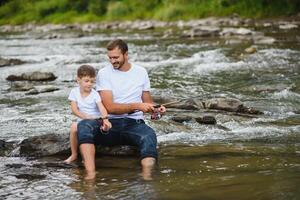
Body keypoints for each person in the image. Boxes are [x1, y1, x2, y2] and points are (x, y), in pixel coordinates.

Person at [77, 39, 166, 180]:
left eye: (116, 57)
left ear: (126, 54)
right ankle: (90, 174)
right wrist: (137, 105)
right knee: (83, 125)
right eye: (110, 58)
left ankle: (147, 177)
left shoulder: (141, 72)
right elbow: (109, 107)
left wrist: (157, 110)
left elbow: (148, 104)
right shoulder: (104, 73)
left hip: (134, 125)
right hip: (109, 124)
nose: (113, 61)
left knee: (149, 136)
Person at [64, 65, 112, 164]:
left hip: (95, 120)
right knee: (73, 127)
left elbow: (102, 108)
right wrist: (85, 117)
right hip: (83, 118)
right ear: (78, 80)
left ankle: (85, 157)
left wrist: (105, 119)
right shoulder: (74, 92)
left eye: (92, 81)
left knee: (90, 129)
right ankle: (74, 154)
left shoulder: (95, 94)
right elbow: (74, 110)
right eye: (87, 81)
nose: (90, 84)